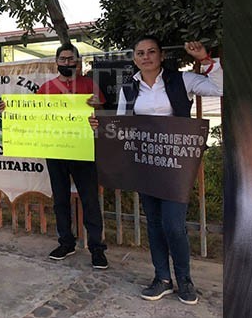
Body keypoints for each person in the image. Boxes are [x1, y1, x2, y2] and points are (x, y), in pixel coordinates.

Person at [92, 36, 222, 305]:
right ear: (134, 58)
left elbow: (220, 88)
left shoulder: (181, 80)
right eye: (140, 53)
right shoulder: (129, 88)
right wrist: (101, 128)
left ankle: (184, 279)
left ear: (161, 56)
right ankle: (162, 277)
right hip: (145, 162)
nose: (146, 56)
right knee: (153, 223)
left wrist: (205, 60)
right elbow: (121, 124)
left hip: (175, 164)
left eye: (152, 52)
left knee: (173, 225)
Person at [35, 43, 109, 270]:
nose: (67, 63)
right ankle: (66, 242)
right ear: (56, 62)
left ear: (78, 61)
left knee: (89, 199)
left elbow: (102, 115)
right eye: (63, 59)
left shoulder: (89, 85)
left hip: (82, 149)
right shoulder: (46, 88)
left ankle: (97, 248)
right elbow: (32, 115)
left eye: (71, 59)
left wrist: (97, 114)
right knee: (60, 199)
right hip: (55, 150)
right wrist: (8, 111)